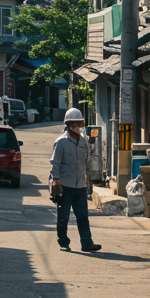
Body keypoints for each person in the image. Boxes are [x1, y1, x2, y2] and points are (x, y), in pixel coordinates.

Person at [49, 107, 101, 253]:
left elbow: (86, 164)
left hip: (80, 187)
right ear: (69, 126)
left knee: (83, 216)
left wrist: (88, 182)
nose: (79, 128)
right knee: (63, 217)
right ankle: (63, 242)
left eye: (80, 125)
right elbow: (55, 164)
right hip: (65, 186)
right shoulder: (61, 142)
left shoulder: (83, 143)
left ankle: (87, 243)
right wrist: (56, 184)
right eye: (76, 125)